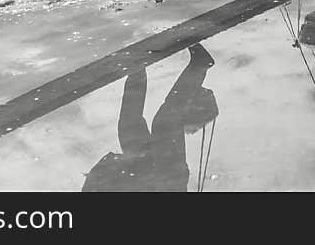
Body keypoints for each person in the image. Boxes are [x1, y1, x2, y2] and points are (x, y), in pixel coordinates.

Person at [82, 44, 216, 191]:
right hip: (166, 180)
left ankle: (137, 69)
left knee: (130, 123)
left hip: (141, 173)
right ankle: (199, 66)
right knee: (164, 122)